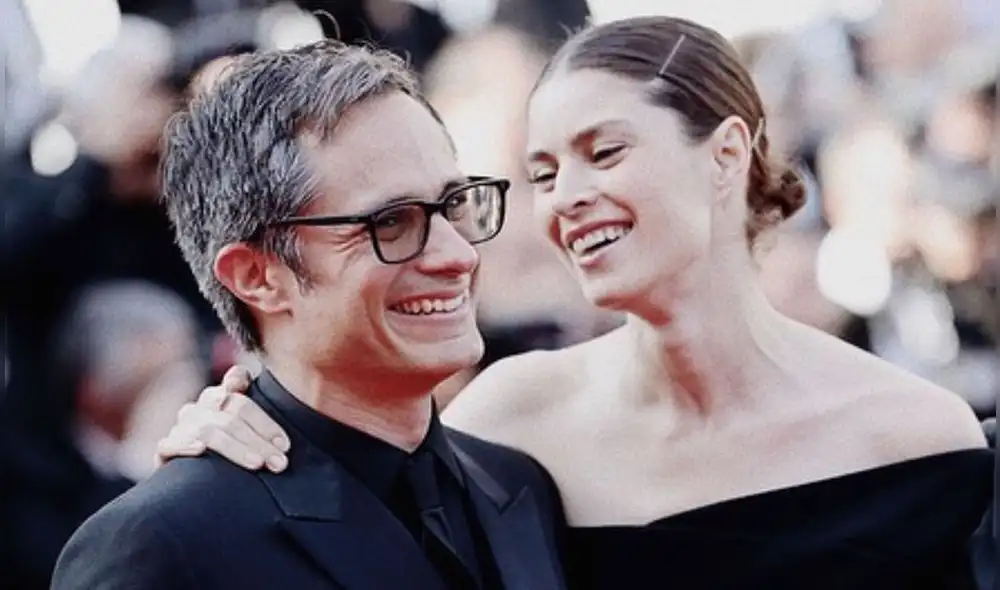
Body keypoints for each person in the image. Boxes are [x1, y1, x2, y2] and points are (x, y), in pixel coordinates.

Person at [157, 16, 994, 589]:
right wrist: (228, 421)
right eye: (545, 174)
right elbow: (331, 493)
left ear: (727, 153)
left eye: (605, 152)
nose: (567, 199)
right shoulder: (508, 422)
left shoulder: (918, 433)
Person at [50, 40, 568, 590]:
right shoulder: (165, 547)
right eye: (392, 223)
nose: (458, 256)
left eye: (454, 205)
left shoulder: (523, 486)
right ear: (257, 276)